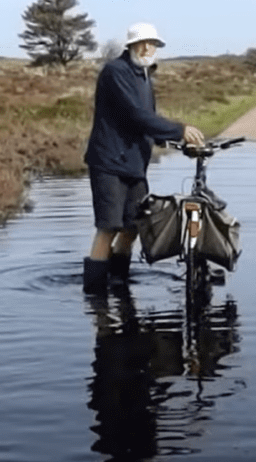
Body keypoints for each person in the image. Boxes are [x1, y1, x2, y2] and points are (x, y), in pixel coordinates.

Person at [83, 23, 204, 294]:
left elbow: (144, 122)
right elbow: (135, 114)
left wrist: (169, 140)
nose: (147, 48)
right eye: (142, 43)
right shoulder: (116, 71)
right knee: (109, 228)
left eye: (152, 44)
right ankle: (95, 298)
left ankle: (119, 284)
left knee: (132, 227)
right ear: (131, 45)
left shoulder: (144, 75)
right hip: (109, 163)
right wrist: (179, 130)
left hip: (135, 163)